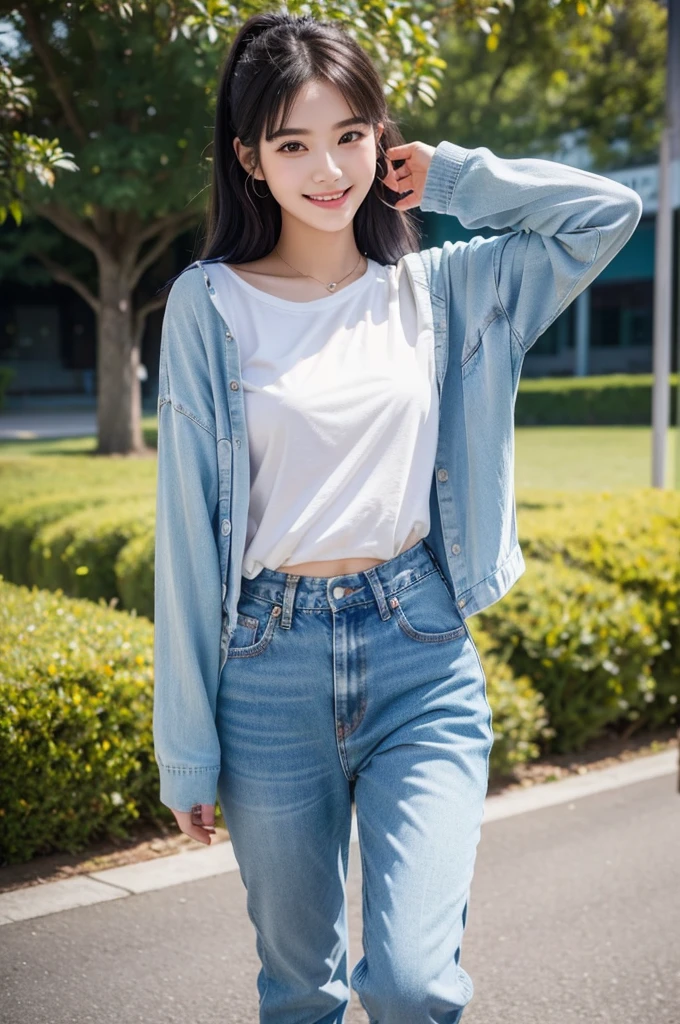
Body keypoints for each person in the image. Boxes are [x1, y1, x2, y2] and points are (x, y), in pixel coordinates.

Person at [152, 11, 642, 1023]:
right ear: (248, 160)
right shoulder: (208, 305)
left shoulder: (444, 288)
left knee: (415, 983)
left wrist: (456, 179)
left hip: (417, 648)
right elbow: (186, 539)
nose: (326, 168)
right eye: (291, 143)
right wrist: (186, 747)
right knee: (300, 991)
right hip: (266, 664)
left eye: (347, 134)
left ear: (381, 136)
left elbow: (603, 213)